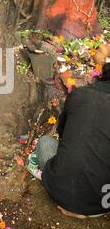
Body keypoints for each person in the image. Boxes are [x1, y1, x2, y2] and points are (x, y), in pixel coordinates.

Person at [37, 63, 110, 219]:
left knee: (45, 143)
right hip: (102, 204)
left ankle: (75, 202)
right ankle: (85, 208)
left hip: (59, 191)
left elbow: (63, 133)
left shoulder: (79, 94)